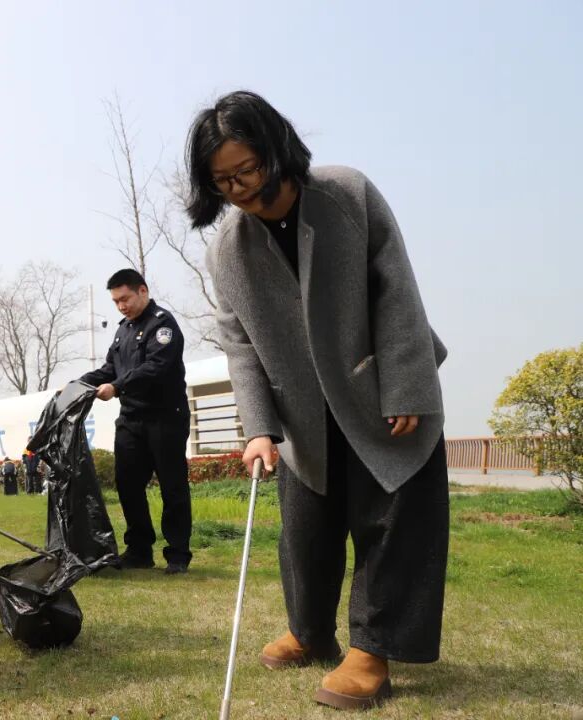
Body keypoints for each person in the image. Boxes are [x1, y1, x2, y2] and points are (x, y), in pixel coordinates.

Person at [187, 90, 449, 711]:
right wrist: (258, 427)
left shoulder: (346, 194)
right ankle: (309, 631)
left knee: (392, 521)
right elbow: (239, 345)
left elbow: (397, 290)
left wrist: (406, 384)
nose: (240, 189)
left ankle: (373, 649)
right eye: (223, 181)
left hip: (381, 393)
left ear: (276, 148)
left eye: (247, 169)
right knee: (305, 530)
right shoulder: (226, 251)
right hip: (300, 409)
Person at [80, 269, 192, 575]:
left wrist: (117, 388)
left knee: (172, 486)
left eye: (125, 299)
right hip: (131, 419)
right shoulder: (122, 331)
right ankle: (139, 550)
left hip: (165, 417)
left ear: (143, 290)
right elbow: (109, 368)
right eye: (116, 302)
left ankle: (178, 554)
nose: (121, 306)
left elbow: (155, 367)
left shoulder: (162, 325)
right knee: (127, 484)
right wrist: (79, 384)